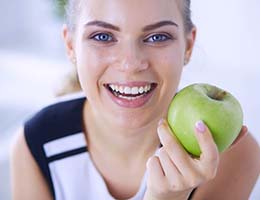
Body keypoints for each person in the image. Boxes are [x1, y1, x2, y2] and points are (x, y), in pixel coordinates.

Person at [10, 0, 260, 200]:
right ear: (71, 45)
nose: (130, 64)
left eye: (157, 37)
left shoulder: (228, 154)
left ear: (188, 45)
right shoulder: (35, 144)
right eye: (103, 36)